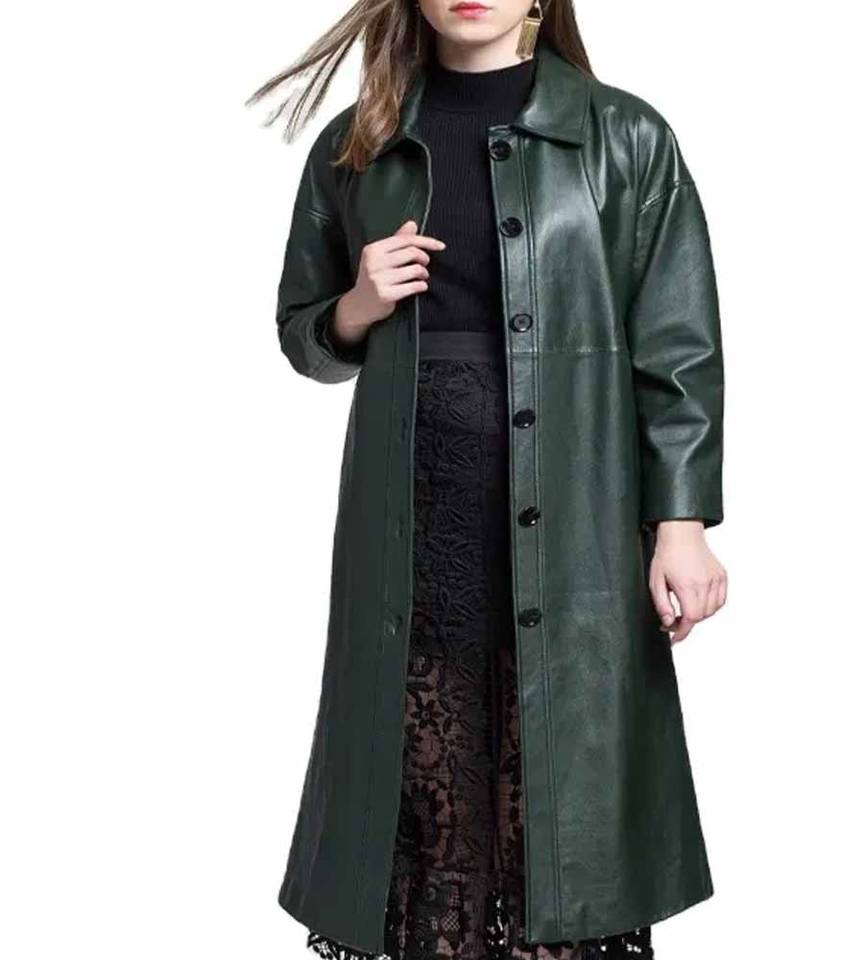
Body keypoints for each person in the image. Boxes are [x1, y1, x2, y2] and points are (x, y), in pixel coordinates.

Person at [248, 2, 727, 958]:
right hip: (414, 518)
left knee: (560, 799)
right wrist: (358, 303)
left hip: (580, 515)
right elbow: (305, 334)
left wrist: (681, 522)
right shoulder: (359, 143)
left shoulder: (625, 137)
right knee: (427, 804)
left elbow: (677, 349)